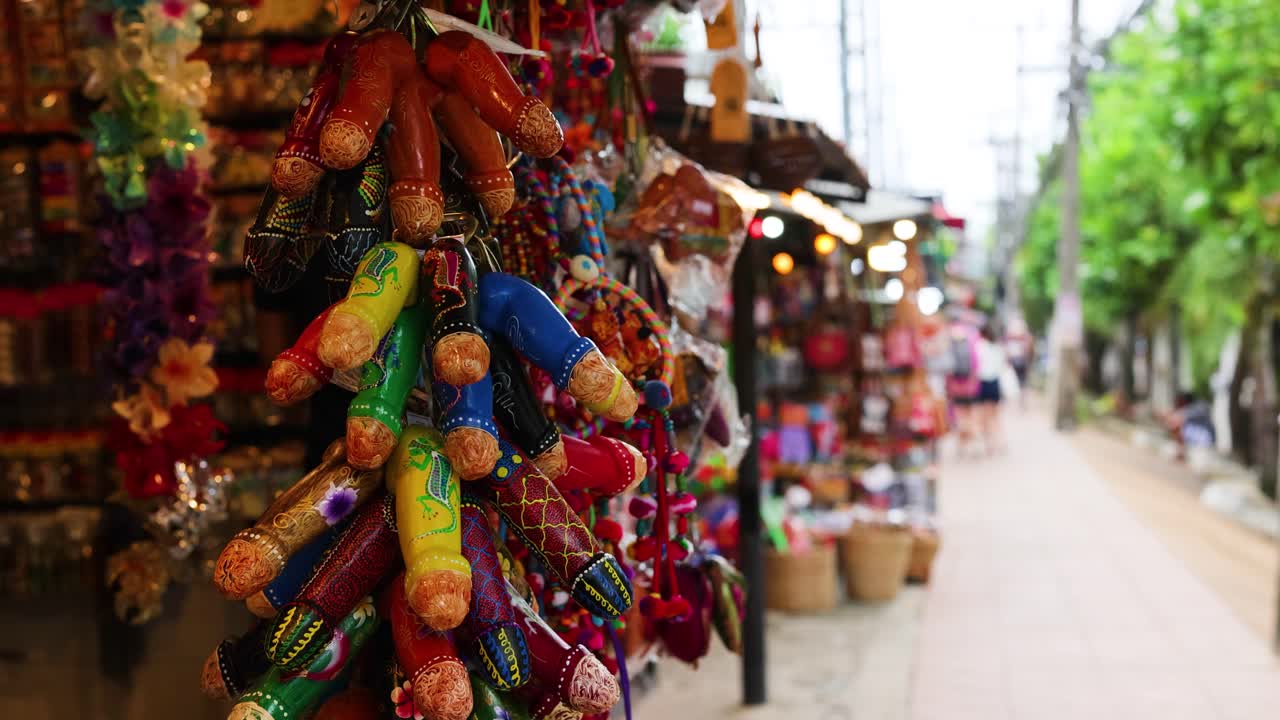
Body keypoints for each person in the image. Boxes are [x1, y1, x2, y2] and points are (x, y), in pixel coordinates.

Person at [974, 325, 1007, 454]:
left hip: (983, 383)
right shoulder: (997, 347)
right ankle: (1000, 442)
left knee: (985, 416)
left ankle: (990, 445)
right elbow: (1002, 366)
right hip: (995, 382)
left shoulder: (979, 346)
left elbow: (976, 365)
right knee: (996, 415)